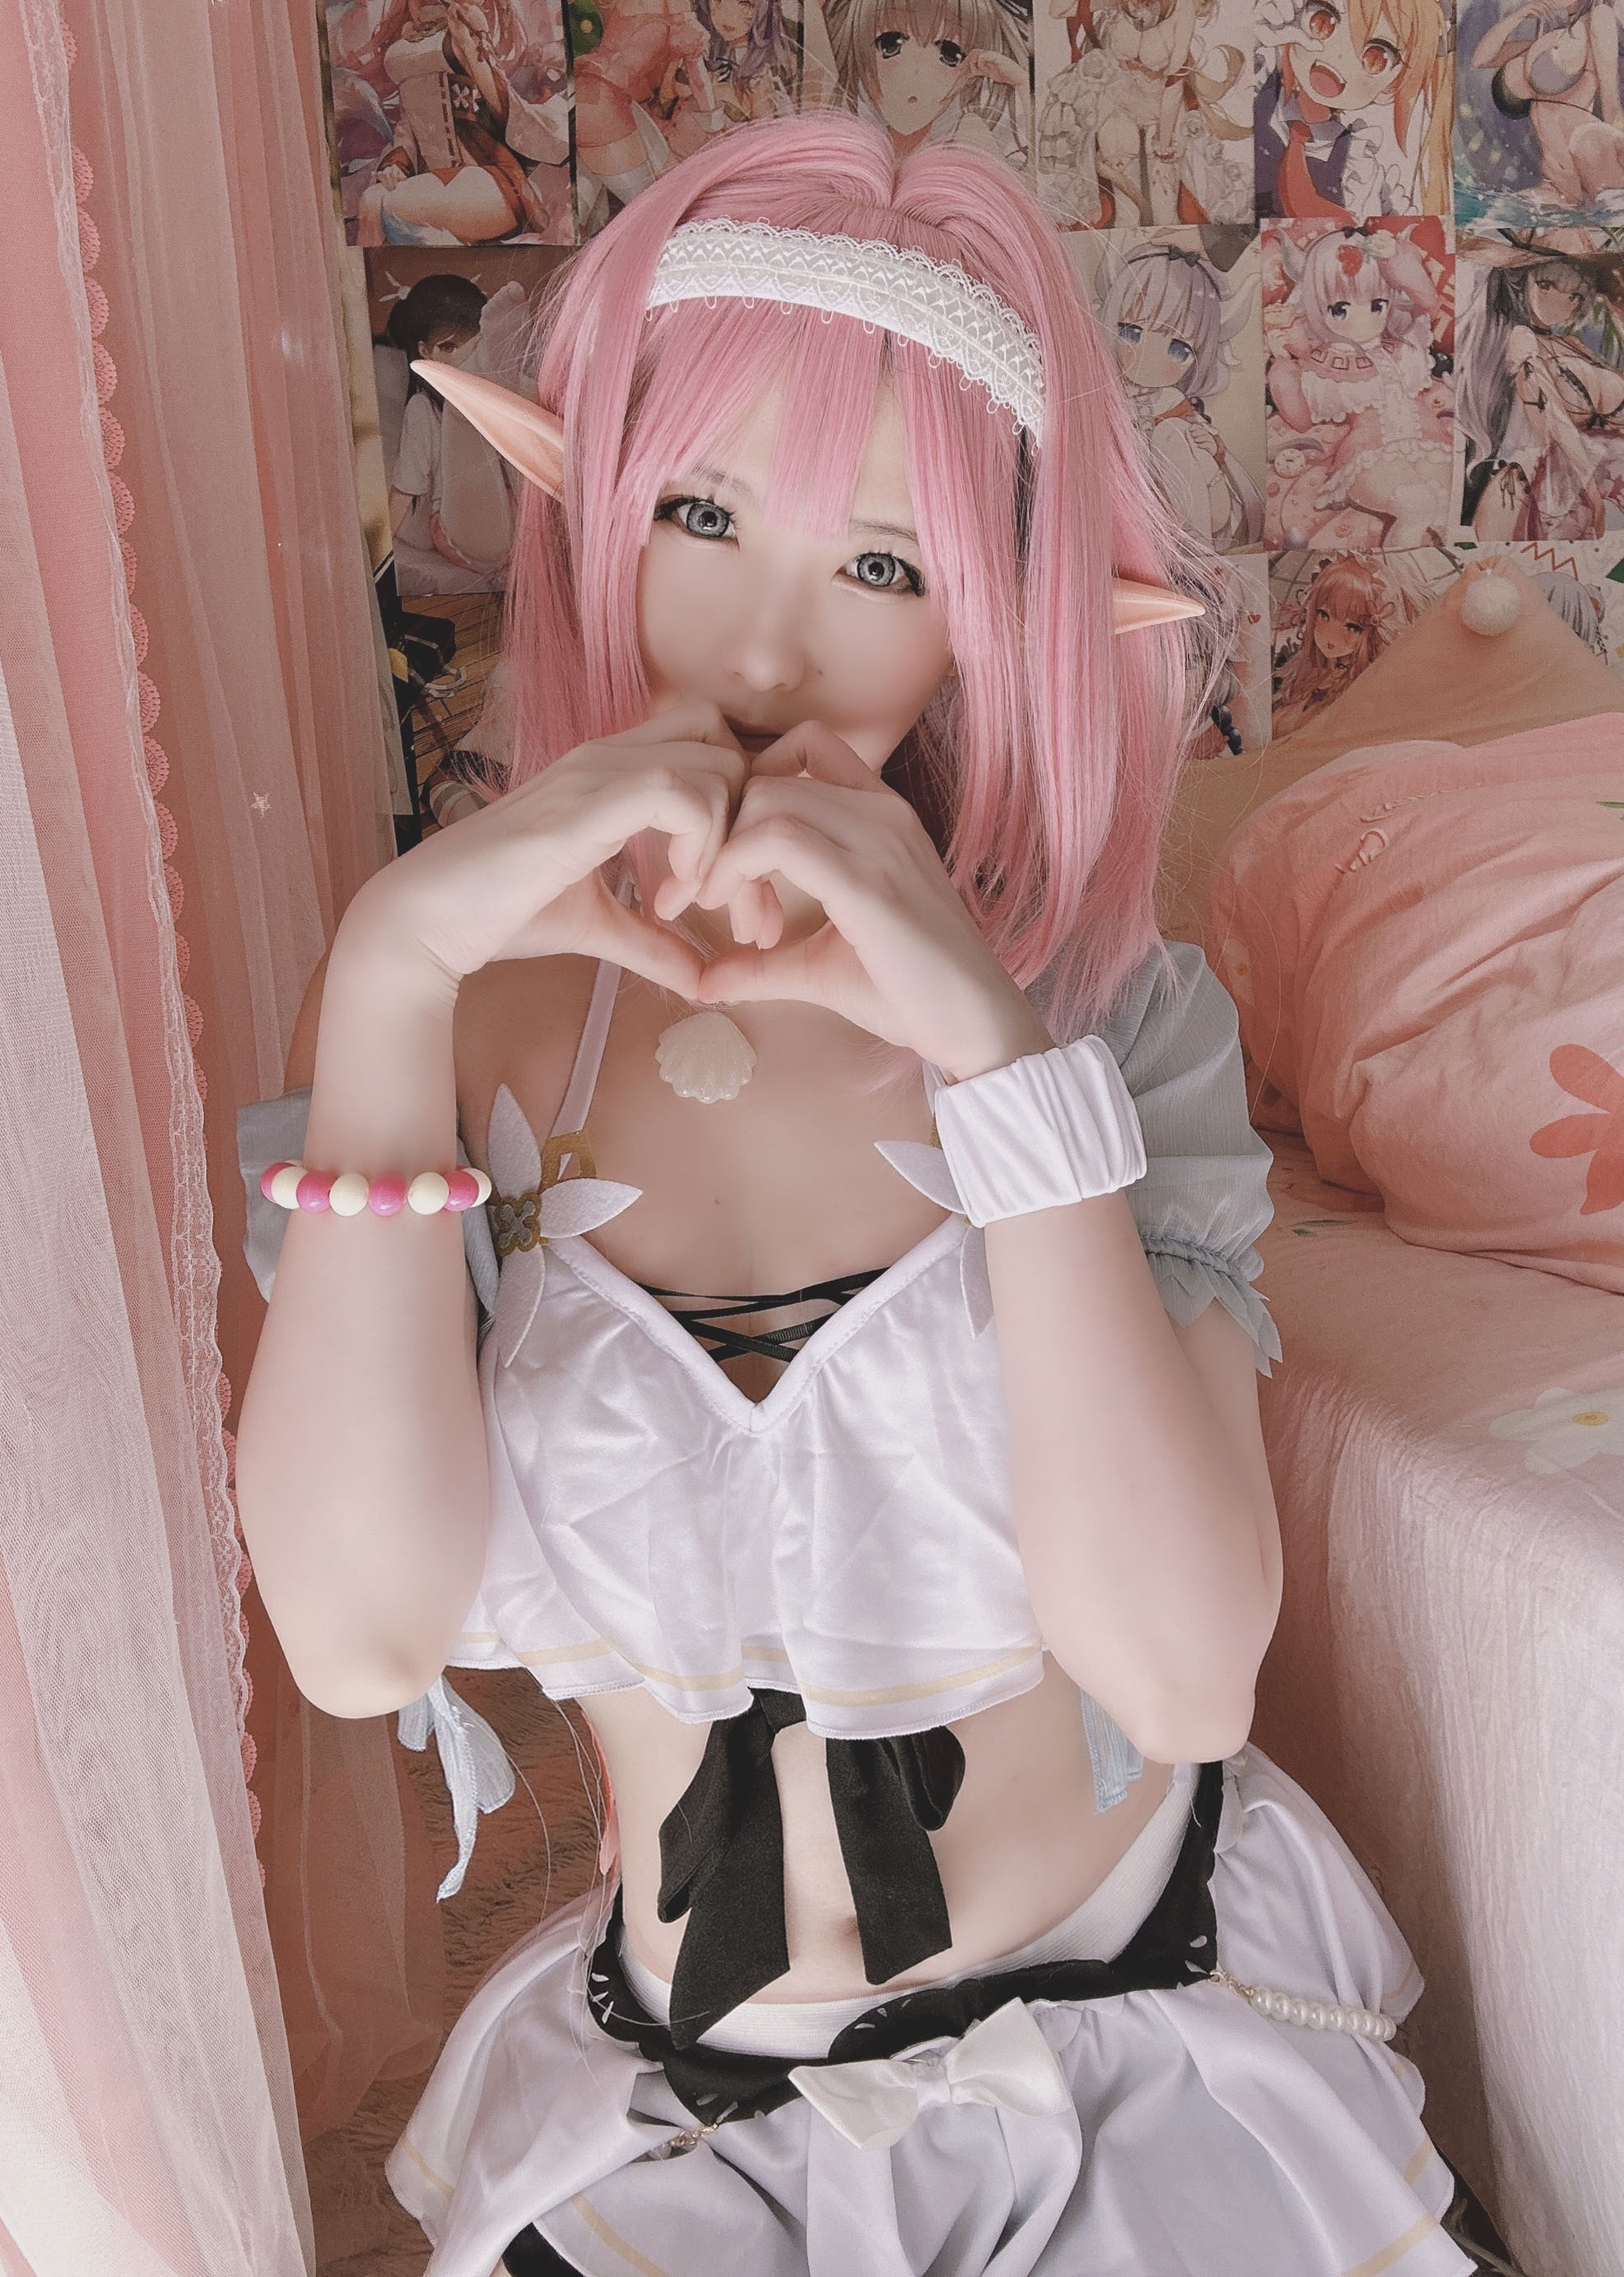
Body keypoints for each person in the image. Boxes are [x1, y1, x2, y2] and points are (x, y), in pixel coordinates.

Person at [235, 114, 1469, 2277]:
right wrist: (391, 968)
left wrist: (998, 1061)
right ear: (597, 517)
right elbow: (354, 1644)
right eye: (699, 514)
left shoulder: (1101, 1022)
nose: (765, 647)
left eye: (883, 569)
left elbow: (1180, 1675)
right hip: (688, 2099)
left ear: (994, 631)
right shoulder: (460, 1032)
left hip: (1131, 2055)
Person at [1266, 224, 1454, 552]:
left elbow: (1429, 301)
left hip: (1429, 445)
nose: (1364, 319)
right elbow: (1301, 420)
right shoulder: (1323, 364)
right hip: (1370, 458)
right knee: (1416, 505)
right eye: (1341, 309)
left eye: (1377, 304)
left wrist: (1398, 264)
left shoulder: (1405, 347)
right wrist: (1282, 366)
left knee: (1442, 506)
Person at [1097, 239, 1265, 550]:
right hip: (1148, 506)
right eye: (1132, 333)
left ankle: (1196, 545)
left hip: (1204, 505)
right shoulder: (1106, 396)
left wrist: (1212, 447)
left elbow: (1202, 447)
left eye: (1178, 349)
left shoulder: (1173, 404)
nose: (1148, 357)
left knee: (1170, 434)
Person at [1457, 246, 1624, 538]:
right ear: (1520, 282)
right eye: (1546, 285)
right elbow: (1553, 425)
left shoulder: (1574, 345)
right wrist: (1590, 492)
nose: (1560, 303)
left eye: (1575, 296)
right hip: (1563, 483)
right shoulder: (1522, 340)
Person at [1036, 0, 1250, 226]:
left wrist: (1164, 143)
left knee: (1165, 212)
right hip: (1117, 106)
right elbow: (1057, 10)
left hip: (1162, 111)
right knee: (1125, 214)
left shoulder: (1182, 9)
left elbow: (1174, 86)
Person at [1254, 0, 1451, 220]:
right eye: (1322, 22)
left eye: (1375, 58)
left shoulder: (1359, 168)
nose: (1338, 55)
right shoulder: (1257, 91)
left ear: (1391, 88)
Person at [821, 0, 1031, 165]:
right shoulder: (848, 142)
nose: (916, 72)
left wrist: (1022, 85)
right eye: (890, 44)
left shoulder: (967, 137)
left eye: (950, 53)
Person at [1471, 0, 1624, 210]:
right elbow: (1480, 59)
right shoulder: (1543, 42)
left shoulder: (1600, 17)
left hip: (1587, 157)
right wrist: (1518, 16)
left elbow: (1610, 99)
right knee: (1498, 213)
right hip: (1555, 177)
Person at [1269, 552, 1391, 738]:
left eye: (1352, 627)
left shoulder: (1362, 689)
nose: (1332, 636)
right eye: (1324, 615)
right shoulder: (1309, 672)